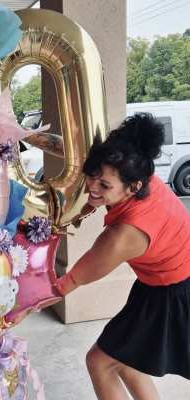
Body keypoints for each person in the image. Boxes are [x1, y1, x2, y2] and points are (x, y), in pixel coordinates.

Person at [55, 113, 190, 400]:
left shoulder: (124, 235)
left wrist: (15, 306)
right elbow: (89, 173)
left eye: (104, 186)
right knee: (128, 359)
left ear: (134, 187)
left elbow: (69, 282)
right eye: (91, 175)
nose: (92, 187)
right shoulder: (139, 172)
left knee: (100, 362)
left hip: (175, 295)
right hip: (163, 285)